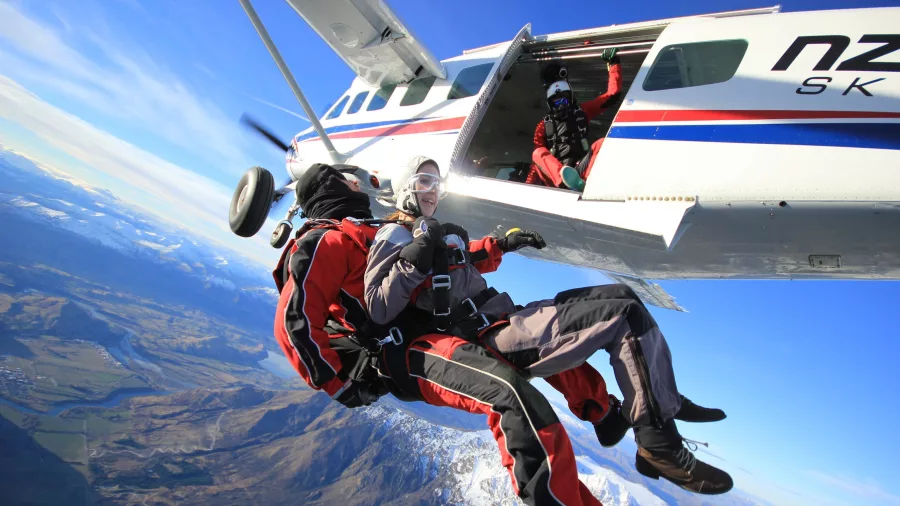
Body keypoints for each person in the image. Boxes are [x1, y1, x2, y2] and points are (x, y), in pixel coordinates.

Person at [365, 156, 734, 496]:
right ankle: (658, 441)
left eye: (437, 183)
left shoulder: (439, 232)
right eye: (426, 181)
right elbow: (379, 306)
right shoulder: (394, 236)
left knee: (623, 296)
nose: (434, 192)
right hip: (484, 335)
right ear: (406, 188)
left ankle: (657, 397)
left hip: (505, 315)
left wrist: (504, 244)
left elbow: (466, 256)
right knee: (622, 316)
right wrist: (412, 259)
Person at [274, 163, 605, 506]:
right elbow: (294, 320)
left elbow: (445, 260)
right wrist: (338, 383)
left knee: (532, 349)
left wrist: (499, 247)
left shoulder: (373, 229)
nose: (361, 184)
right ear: (332, 189)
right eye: (350, 180)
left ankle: (600, 416)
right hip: (405, 351)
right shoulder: (327, 240)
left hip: (436, 330)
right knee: (510, 394)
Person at [529, 48, 622, 191]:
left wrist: (613, 64)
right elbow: (537, 162)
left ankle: (580, 184)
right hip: (554, 179)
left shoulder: (581, 112)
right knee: (537, 153)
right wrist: (528, 186)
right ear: (550, 104)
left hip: (579, 171)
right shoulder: (543, 125)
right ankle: (563, 178)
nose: (561, 106)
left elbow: (612, 96)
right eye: (556, 102)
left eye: (564, 101)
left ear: (571, 99)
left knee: (602, 143)